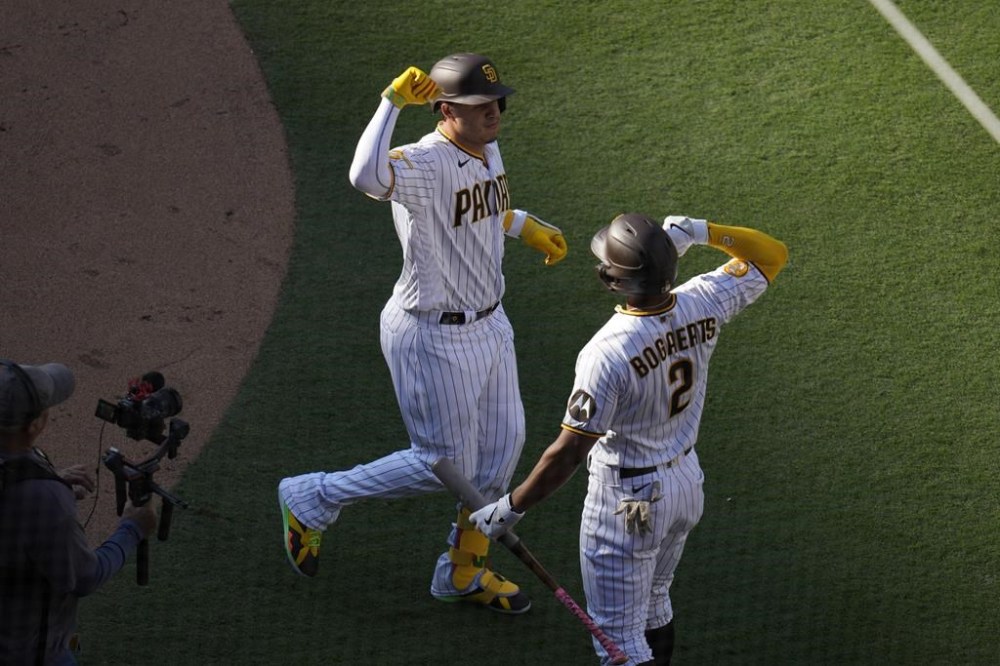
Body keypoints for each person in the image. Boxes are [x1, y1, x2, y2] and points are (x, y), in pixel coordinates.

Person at [277, 53, 567, 615]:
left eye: (497, 102)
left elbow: (483, 208)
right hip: (433, 335)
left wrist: (524, 225)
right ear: (445, 109)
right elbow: (364, 176)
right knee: (443, 463)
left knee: (501, 452)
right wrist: (389, 102)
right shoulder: (424, 162)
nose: (494, 113)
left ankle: (460, 572)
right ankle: (313, 495)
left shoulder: (485, 149)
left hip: (492, 324)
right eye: (479, 106)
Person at [468, 213, 788, 664]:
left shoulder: (607, 352)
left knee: (618, 639)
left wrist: (512, 506)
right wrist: (700, 231)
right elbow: (772, 255)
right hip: (685, 486)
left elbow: (569, 451)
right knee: (655, 601)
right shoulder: (704, 299)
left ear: (610, 280)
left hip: (628, 503)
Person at [0, 359, 157, 665]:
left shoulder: (37, 491)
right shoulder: (45, 499)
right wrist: (132, 529)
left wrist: (46, 480)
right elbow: (84, 577)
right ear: (35, 425)